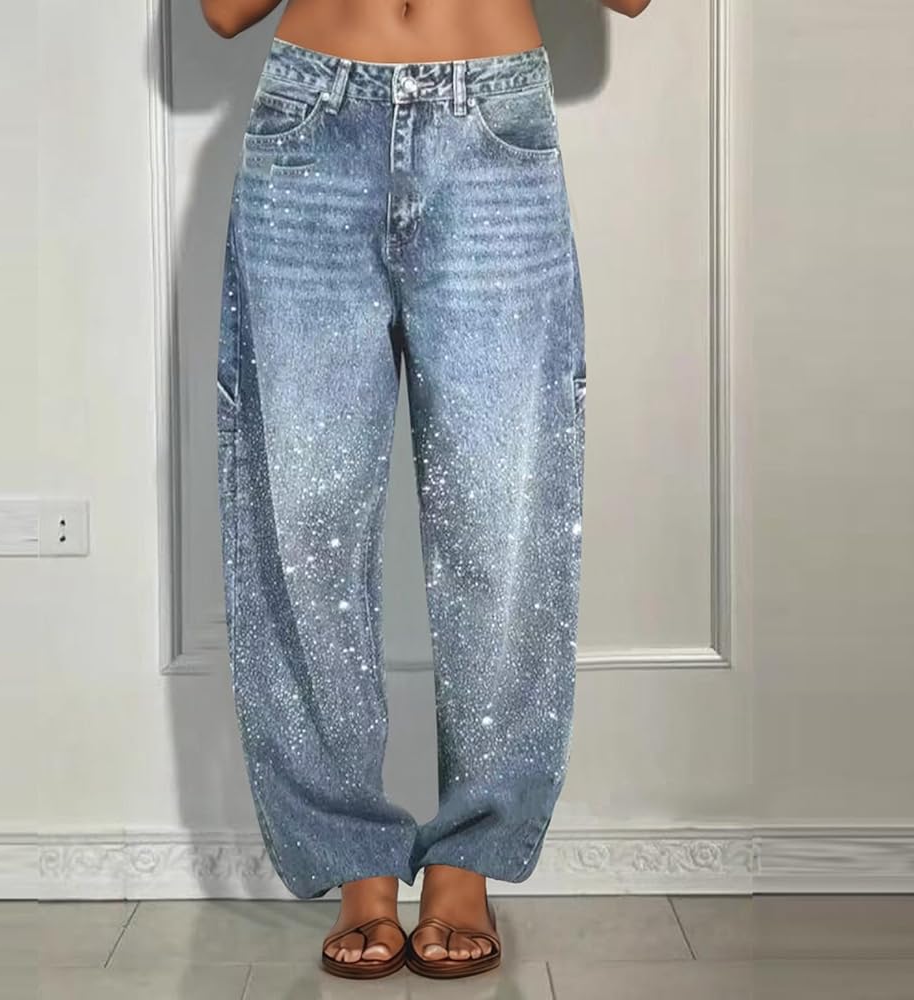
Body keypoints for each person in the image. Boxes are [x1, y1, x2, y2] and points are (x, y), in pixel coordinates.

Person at [203, 0, 649, 981]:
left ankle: (467, 862)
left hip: (492, 136)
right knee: (304, 515)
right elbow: (223, 13)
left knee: (501, 513)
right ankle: (354, 862)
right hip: (309, 129)